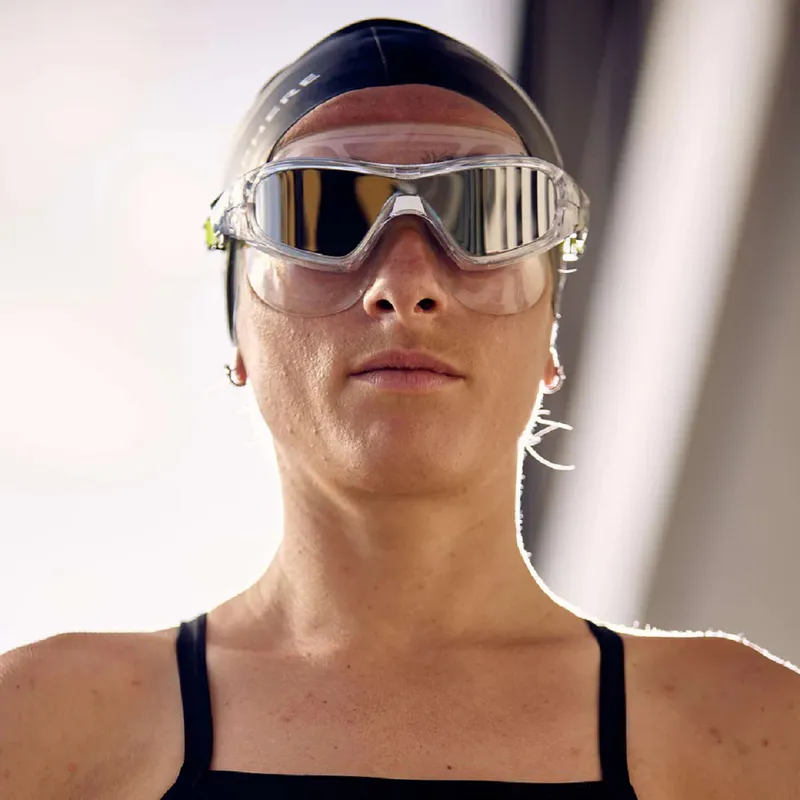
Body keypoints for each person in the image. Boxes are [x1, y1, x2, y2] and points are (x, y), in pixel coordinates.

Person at [1, 18, 798, 800]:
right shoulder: (46, 727)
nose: (405, 283)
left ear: (551, 335)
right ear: (239, 333)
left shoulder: (750, 732)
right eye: (320, 212)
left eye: (488, 211)